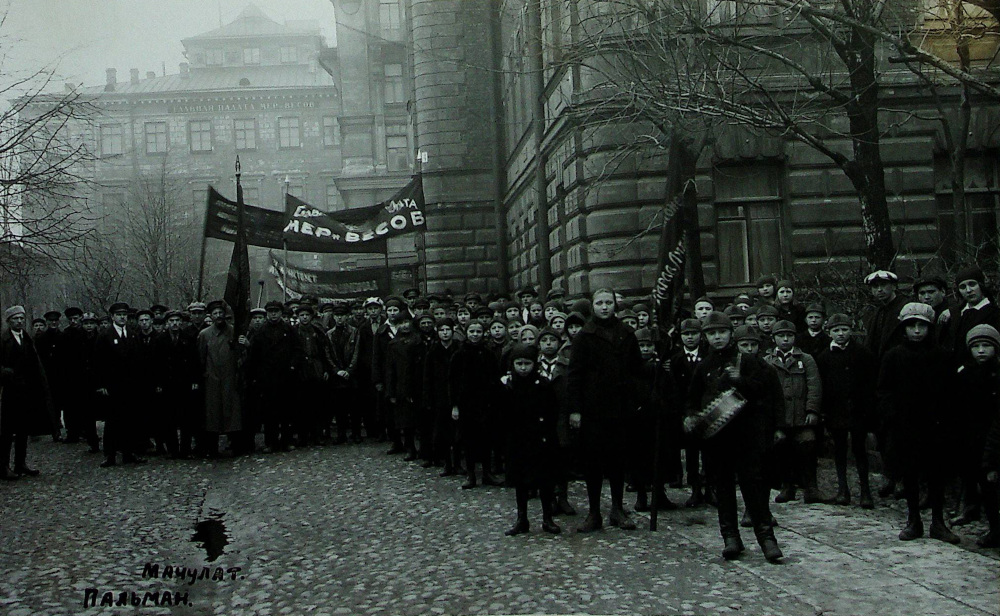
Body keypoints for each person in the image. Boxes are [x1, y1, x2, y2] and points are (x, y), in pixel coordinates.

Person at [685, 311, 783, 563]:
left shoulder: (747, 361)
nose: (717, 337)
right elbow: (693, 400)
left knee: (753, 487)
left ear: (731, 333)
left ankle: (767, 539)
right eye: (711, 333)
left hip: (746, 435)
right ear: (706, 336)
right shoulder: (703, 366)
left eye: (721, 332)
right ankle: (730, 538)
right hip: (717, 439)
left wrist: (742, 382)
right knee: (723, 487)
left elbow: (764, 391)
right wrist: (690, 417)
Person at [877, 302, 960, 544]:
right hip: (905, 426)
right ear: (903, 329)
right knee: (910, 474)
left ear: (929, 328)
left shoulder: (942, 356)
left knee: (936, 474)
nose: (916, 331)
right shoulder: (894, 356)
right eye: (911, 326)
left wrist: (946, 418)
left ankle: (938, 522)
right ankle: (913, 520)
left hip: (935, 426)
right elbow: (883, 390)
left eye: (921, 326)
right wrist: (892, 416)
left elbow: (951, 391)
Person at [568, 289, 643, 532]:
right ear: (592, 307)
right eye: (599, 303)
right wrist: (575, 409)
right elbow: (575, 376)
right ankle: (593, 513)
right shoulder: (583, 337)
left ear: (615, 306)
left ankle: (618, 510)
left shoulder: (627, 334)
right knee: (593, 462)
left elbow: (636, 371)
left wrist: (635, 400)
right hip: (593, 409)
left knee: (618, 460)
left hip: (620, 408)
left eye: (608, 303)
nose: (604, 307)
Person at [814, 313, 877, 508]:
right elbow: (821, 385)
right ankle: (843, 490)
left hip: (859, 410)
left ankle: (866, 492)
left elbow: (871, 383)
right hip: (836, 411)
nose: (840, 334)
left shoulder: (862, 353)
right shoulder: (824, 357)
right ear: (829, 332)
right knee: (839, 450)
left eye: (844, 329)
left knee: (860, 450)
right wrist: (824, 411)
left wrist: (869, 409)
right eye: (836, 330)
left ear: (851, 330)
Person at [502, 343, 562, 536]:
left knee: (545, 480)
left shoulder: (543, 385)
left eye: (527, 363)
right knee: (520, 482)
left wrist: (547, 433)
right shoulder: (509, 386)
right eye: (519, 363)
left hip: (540, 438)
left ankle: (547, 518)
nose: (523, 367)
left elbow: (553, 410)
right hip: (518, 439)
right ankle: (522, 518)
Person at [763, 320, 825, 504]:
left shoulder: (806, 359)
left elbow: (814, 386)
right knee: (782, 449)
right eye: (781, 336)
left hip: (801, 415)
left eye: (789, 335)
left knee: (807, 445)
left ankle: (811, 487)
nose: (785, 339)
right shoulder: (767, 362)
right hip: (780, 417)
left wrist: (812, 410)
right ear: (773, 338)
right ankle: (787, 486)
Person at [862, 269, 909, 498]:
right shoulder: (876, 314)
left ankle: (902, 477)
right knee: (883, 431)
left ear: (894, 286)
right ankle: (890, 474)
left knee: (899, 432)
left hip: (900, 380)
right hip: (879, 381)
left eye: (883, 285)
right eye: (875, 287)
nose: (879, 290)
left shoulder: (904, 310)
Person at [951, 324, 1000, 537]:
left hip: (994, 437)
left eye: (986, 346)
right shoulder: (965, 373)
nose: (981, 351)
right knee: (973, 477)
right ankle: (977, 513)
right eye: (976, 346)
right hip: (970, 436)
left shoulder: (997, 374)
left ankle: (996, 528)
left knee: (992, 484)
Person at [450, 321, 502, 489]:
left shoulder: (489, 354)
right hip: (467, 405)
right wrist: (455, 405)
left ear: (483, 333)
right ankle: (471, 474)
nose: (475, 334)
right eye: (471, 331)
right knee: (469, 439)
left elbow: (496, 379)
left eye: (478, 331)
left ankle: (487, 473)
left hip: (486, 404)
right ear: (466, 333)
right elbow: (453, 382)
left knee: (487, 439)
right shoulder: (459, 355)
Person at [0, 306, 50, 479]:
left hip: (26, 391)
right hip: (8, 392)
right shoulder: (3, 340)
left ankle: (20, 464)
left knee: (23, 429)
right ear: (8, 321)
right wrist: (6, 372)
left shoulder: (27, 339)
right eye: (15, 319)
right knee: (6, 431)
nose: (19, 321)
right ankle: (3, 466)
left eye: (21, 318)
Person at [631, 327, 678, 512]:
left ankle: (660, 494)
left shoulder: (662, 368)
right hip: (638, 420)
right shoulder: (631, 368)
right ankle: (641, 495)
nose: (644, 349)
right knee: (639, 458)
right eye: (640, 346)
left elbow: (670, 390)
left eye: (648, 345)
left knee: (660, 458)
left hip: (658, 419)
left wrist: (664, 406)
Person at [94, 302, 145, 467]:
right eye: (119, 314)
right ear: (112, 317)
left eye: (125, 314)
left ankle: (129, 453)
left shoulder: (133, 334)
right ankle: (109, 455)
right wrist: (101, 384)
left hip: (131, 385)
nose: (123, 317)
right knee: (112, 421)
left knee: (131, 420)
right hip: (112, 386)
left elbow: (138, 361)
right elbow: (98, 363)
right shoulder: (104, 335)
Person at [246, 301, 300, 452]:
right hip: (267, 377)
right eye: (270, 311)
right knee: (269, 412)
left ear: (281, 313)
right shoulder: (261, 331)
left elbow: (297, 349)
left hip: (286, 376)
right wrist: (255, 375)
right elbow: (254, 355)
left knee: (287, 411)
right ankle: (270, 442)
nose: (273, 314)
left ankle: (287, 440)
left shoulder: (289, 329)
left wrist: (292, 365)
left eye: (276, 311)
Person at [667, 318, 709, 507]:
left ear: (701, 335)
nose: (690, 338)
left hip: (708, 410)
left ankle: (710, 489)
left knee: (709, 452)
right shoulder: (676, 360)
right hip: (687, 413)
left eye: (694, 333)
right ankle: (695, 490)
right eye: (686, 334)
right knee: (691, 453)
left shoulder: (708, 355)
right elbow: (674, 389)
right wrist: (684, 414)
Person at [198, 301, 246, 457]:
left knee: (233, 413)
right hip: (212, 379)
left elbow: (243, 356)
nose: (218, 316)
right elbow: (200, 358)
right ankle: (211, 449)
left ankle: (237, 446)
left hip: (230, 378)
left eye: (221, 313)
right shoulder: (204, 335)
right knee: (212, 414)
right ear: (210, 316)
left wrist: (244, 345)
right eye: (215, 314)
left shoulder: (234, 332)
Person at [159, 310, 201, 458]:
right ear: (167, 323)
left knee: (186, 419)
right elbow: (155, 364)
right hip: (168, 384)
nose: (175, 323)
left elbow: (195, 361)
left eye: (177, 321)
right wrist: (158, 383)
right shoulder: (161, 340)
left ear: (181, 322)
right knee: (169, 418)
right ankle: (172, 449)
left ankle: (185, 449)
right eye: (171, 321)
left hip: (185, 383)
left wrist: (195, 381)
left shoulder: (188, 338)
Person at [423, 317, 461, 474]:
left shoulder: (459, 349)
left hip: (457, 395)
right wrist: (428, 399)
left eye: (447, 330)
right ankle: (447, 463)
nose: (445, 333)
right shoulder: (433, 351)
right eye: (441, 330)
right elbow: (427, 377)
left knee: (458, 432)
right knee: (443, 432)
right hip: (440, 397)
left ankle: (458, 462)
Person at [295, 303, 336, 446]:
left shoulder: (318, 332)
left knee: (317, 404)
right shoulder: (294, 332)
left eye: (307, 315)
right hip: (301, 371)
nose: (304, 318)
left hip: (317, 370)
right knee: (301, 406)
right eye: (302, 315)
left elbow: (325, 352)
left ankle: (317, 435)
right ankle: (303, 436)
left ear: (312, 317)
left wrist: (325, 369)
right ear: (298, 317)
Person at [385, 317, 425, 461]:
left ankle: (424, 449)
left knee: (421, 419)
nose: (405, 325)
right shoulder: (393, 344)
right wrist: (391, 391)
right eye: (401, 323)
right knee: (405, 420)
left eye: (406, 322)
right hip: (401, 386)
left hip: (418, 384)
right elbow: (390, 369)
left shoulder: (419, 341)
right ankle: (410, 448)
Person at [327, 303, 361, 444]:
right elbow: (327, 354)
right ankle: (341, 434)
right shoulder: (329, 334)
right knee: (339, 406)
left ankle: (356, 433)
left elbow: (356, 352)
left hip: (351, 374)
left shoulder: (354, 331)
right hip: (337, 375)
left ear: (347, 316)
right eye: (337, 316)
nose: (340, 318)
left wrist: (349, 370)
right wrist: (336, 370)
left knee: (354, 406)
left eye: (342, 316)